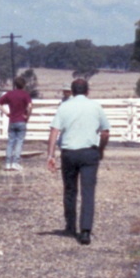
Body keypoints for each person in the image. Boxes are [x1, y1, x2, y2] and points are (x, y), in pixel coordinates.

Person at [46, 78, 110, 246]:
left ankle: (70, 225)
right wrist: (101, 149)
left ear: (72, 92)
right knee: (88, 192)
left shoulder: (64, 107)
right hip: (89, 153)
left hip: (69, 153)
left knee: (70, 190)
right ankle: (85, 231)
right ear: (87, 91)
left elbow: (54, 131)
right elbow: (105, 132)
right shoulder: (96, 106)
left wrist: (50, 155)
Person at [0, 75, 33, 171]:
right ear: (24, 85)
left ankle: (8, 163)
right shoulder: (25, 95)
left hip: (12, 120)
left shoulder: (9, 94)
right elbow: (29, 106)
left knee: (10, 142)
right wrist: (27, 116)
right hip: (21, 120)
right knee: (19, 142)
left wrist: (6, 113)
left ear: (15, 85)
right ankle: (15, 162)